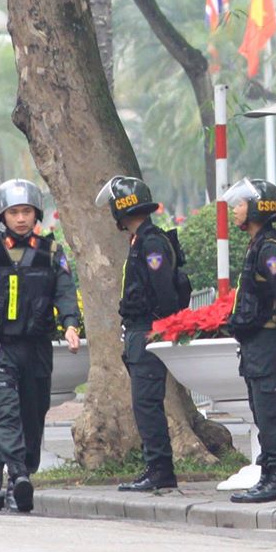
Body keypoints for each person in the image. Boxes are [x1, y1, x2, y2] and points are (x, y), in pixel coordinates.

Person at [0, 180, 81, 513]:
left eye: (26, 211)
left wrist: (70, 323)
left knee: (33, 413)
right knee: (5, 412)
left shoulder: (51, 251)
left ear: (36, 213)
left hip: (37, 347)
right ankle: (16, 474)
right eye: (14, 212)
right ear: (3, 215)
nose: (21, 218)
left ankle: (20, 479)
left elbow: (65, 291)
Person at [221, 178, 276, 504]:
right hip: (257, 344)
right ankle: (267, 474)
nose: (234, 211)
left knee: (274, 410)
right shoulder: (260, 244)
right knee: (263, 411)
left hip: (269, 342)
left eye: (240, 205)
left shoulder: (272, 250)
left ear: (259, 208)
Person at [96, 175, 186, 494]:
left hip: (147, 331)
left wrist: (159, 329)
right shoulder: (141, 240)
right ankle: (157, 467)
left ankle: (160, 470)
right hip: (139, 331)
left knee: (147, 404)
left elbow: (163, 290)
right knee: (143, 404)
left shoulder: (150, 242)